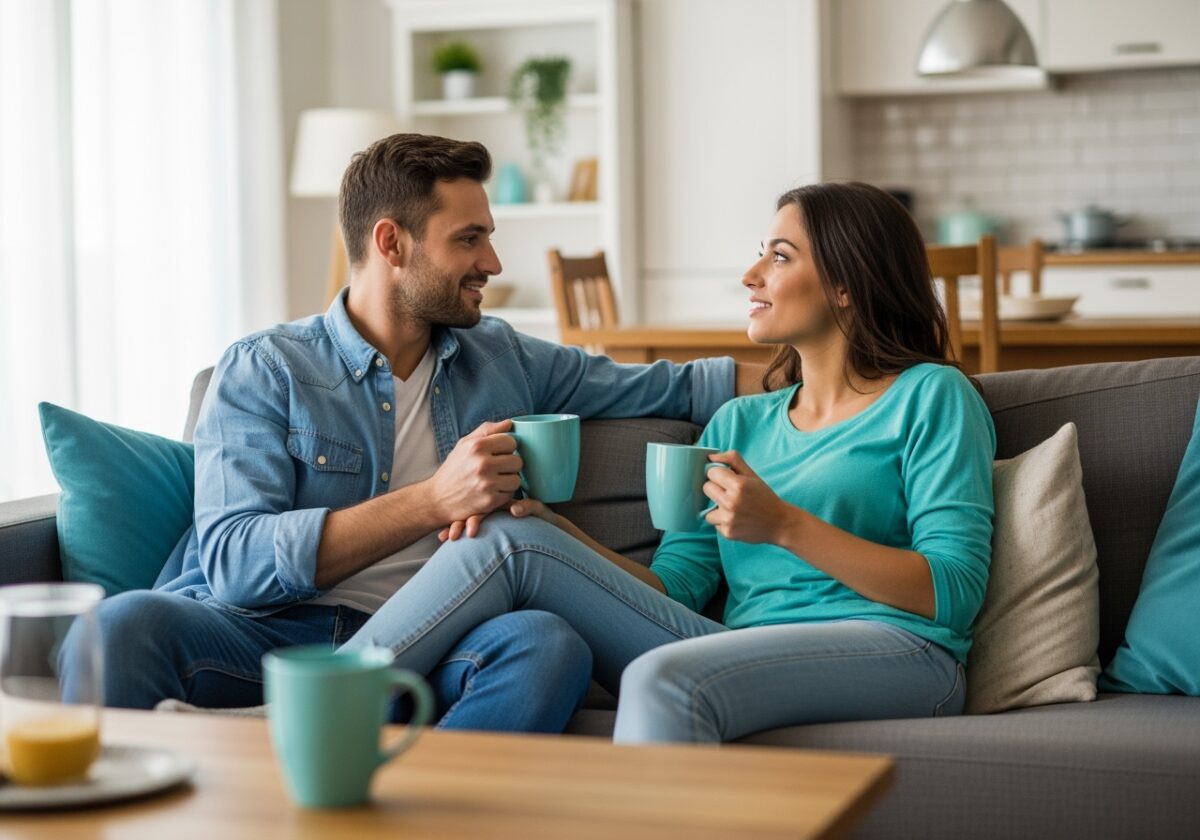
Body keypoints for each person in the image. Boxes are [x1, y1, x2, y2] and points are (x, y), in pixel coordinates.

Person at [64, 133, 758, 733]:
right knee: (122, 625)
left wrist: (849, 374)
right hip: (270, 638)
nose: (493, 262)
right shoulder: (268, 368)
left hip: (443, 634)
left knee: (547, 645)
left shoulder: (503, 356)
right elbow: (236, 563)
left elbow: (679, 385)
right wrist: (433, 500)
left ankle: (371, 772)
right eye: (469, 239)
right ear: (391, 242)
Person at [340, 180, 996, 743]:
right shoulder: (740, 422)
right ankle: (326, 702)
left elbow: (952, 594)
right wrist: (557, 533)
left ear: (849, 284)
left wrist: (785, 525)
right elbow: (677, 588)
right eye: (758, 255)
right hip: (734, 649)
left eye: (780, 256)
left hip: (900, 653)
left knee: (662, 678)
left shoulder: (931, 396)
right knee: (512, 535)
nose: (752, 275)